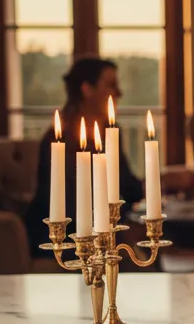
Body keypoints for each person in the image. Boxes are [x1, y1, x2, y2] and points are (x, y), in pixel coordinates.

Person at [26, 57, 144, 256]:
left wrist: (161, 182)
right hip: (68, 238)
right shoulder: (59, 141)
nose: (119, 93)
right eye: (111, 85)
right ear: (87, 89)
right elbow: (69, 206)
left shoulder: (112, 133)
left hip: (106, 232)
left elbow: (128, 187)